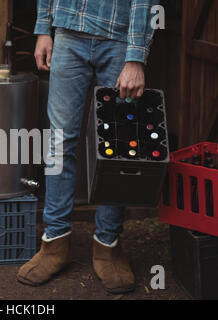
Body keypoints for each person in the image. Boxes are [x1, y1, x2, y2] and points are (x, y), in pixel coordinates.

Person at [17, 0, 159, 294]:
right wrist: (44, 29)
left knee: (119, 146)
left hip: (119, 40)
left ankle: (108, 246)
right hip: (69, 35)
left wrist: (136, 58)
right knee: (58, 142)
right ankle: (54, 244)